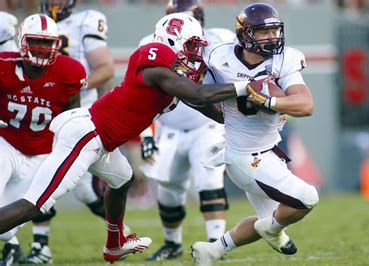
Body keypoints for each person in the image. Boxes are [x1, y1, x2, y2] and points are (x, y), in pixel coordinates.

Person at [0, 12, 260, 263]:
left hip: (103, 141)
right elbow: (198, 94)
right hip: (87, 135)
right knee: (37, 204)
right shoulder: (152, 57)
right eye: (192, 45)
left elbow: (201, 104)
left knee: (122, 179)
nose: (196, 52)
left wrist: (241, 125)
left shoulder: (171, 74)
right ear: (172, 39)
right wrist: (245, 86)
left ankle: (114, 244)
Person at [190, 3, 319, 265]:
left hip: (269, 152)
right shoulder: (219, 58)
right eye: (264, 32)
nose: (273, 38)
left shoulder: (284, 60)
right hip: (245, 159)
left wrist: (269, 101)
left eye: (275, 31)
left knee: (269, 220)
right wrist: (223, 118)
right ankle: (271, 230)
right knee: (306, 198)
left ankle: (213, 250)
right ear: (245, 35)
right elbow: (197, 97)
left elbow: (305, 105)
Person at [18, 1, 116, 263]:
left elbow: (106, 68)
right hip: (42, 106)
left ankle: (119, 230)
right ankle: (41, 245)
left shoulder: (86, 20)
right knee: (41, 174)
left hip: (78, 109)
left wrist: (69, 84)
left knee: (82, 188)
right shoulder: (34, 24)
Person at [138, 0, 235, 261]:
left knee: (210, 180)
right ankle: (172, 243)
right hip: (169, 126)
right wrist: (146, 134)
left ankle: (216, 243)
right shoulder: (150, 45)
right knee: (168, 189)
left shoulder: (219, 39)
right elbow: (141, 95)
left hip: (207, 124)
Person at [0, 14, 85, 266]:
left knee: (6, 229)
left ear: (57, 44)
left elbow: (73, 117)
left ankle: (12, 247)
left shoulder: (70, 71)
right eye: (36, 41)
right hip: (6, 143)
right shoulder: (3, 65)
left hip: (41, 154)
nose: (42, 48)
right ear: (21, 41)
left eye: (47, 43)